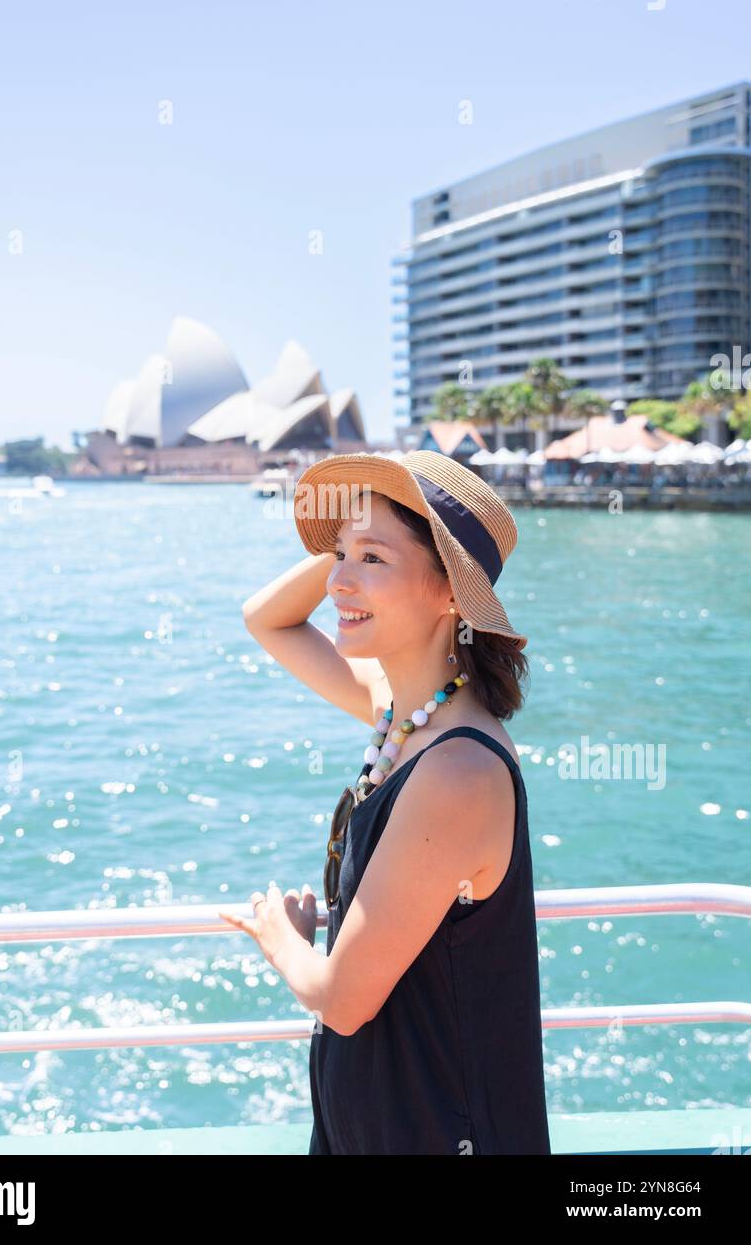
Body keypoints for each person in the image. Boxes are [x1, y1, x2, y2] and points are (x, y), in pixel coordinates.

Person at [219, 449, 551, 1155]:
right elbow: (265, 619)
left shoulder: (456, 767)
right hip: (377, 1122)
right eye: (340, 556)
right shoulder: (403, 714)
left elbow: (341, 1002)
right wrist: (358, 532)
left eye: (374, 560)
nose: (338, 581)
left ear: (450, 592)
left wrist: (280, 936)